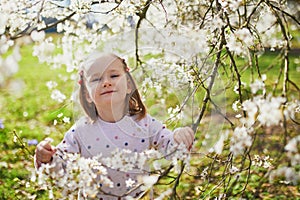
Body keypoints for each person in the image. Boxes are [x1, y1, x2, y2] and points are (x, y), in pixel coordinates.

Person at [34, 52, 195, 199]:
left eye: (114, 75)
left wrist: (179, 137)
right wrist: (47, 158)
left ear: (129, 86)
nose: (106, 83)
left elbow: (169, 147)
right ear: (87, 94)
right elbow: (62, 168)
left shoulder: (144, 123)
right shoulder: (80, 131)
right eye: (96, 79)